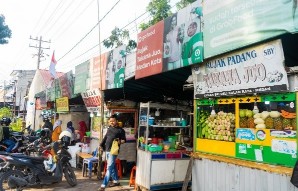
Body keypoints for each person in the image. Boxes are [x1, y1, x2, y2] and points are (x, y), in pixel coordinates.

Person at [99, 115, 126, 191]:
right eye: (110, 121)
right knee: (112, 166)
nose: (111, 122)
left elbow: (124, 140)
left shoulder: (121, 130)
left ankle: (104, 184)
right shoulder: (109, 128)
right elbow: (106, 137)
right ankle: (116, 181)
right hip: (107, 150)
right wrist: (101, 145)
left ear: (116, 121)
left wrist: (118, 141)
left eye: (113, 121)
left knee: (109, 167)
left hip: (113, 151)